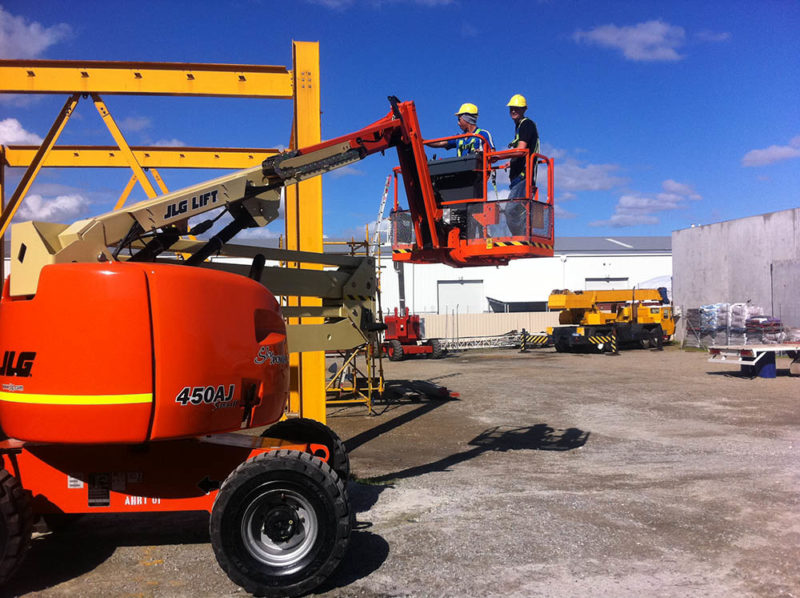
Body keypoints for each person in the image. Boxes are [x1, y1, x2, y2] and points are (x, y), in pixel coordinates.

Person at [425, 103, 494, 156]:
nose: (458, 123)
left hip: (478, 172)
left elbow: (493, 153)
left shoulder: (483, 134)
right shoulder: (459, 137)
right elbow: (440, 143)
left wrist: (482, 153)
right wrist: (422, 141)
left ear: (467, 119)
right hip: (461, 172)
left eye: (459, 119)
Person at [506, 94, 539, 198]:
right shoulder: (519, 126)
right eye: (512, 108)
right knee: (515, 210)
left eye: (517, 108)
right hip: (520, 177)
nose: (513, 111)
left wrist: (497, 156)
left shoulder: (526, 124)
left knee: (511, 210)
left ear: (524, 109)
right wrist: (511, 161)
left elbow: (521, 150)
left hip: (524, 177)